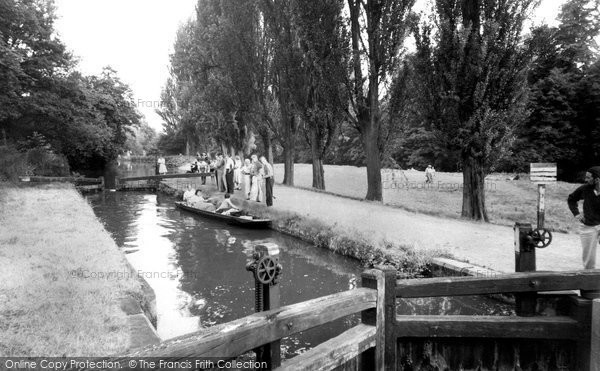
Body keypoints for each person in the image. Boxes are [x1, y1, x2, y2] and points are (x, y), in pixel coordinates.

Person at [567, 166, 600, 269]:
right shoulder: (585, 189)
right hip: (588, 227)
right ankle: (589, 281)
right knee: (589, 261)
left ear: (597, 179)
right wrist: (577, 214)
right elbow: (571, 199)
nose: (586, 179)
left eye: (588, 177)